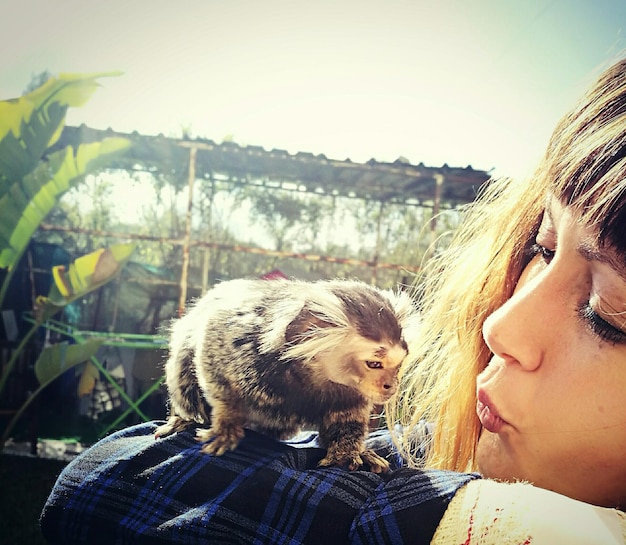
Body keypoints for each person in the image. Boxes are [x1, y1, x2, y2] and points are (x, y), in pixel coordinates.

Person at [40, 57, 626, 544]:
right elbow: (99, 482)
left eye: (610, 311)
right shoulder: (439, 440)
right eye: (541, 247)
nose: (500, 326)